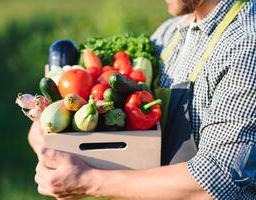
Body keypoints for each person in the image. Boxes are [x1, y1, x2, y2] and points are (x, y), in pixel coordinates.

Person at [29, 0, 256, 199]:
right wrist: (51, 144)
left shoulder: (245, 46)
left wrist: (87, 180)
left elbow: (221, 179)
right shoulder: (169, 34)